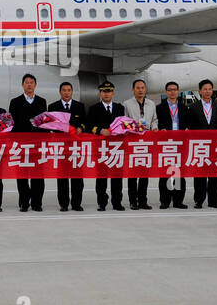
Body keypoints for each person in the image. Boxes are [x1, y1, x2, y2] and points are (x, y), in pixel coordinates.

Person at [8, 74, 47, 212]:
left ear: (35, 85)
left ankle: (37, 203)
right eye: (26, 82)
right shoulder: (15, 102)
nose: (29, 84)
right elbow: (12, 124)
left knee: (38, 175)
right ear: (22, 85)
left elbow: (44, 124)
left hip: (37, 144)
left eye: (31, 82)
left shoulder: (42, 101)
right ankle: (24, 202)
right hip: (21, 144)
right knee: (22, 175)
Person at [86, 81, 126, 211]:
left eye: (109, 92)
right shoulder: (94, 108)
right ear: (100, 93)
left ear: (113, 93)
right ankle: (101, 202)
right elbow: (88, 126)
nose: (106, 94)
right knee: (101, 177)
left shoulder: (120, 108)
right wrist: (99, 130)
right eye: (104, 91)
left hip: (116, 147)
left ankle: (117, 202)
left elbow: (123, 124)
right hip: (101, 147)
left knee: (117, 177)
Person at [184, 79, 217, 208]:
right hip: (199, 145)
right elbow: (190, 125)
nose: (207, 91)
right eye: (205, 89)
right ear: (200, 91)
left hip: (214, 145)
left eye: (210, 89)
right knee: (199, 175)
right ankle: (199, 200)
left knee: (215, 175)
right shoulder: (193, 107)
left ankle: (213, 200)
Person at [48, 81, 85, 211]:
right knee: (62, 177)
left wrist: (80, 128)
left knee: (77, 177)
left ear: (72, 92)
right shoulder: (53, 106)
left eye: (69, 90)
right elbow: (50, 125)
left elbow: (84, 123)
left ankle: (76, 203)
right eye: (64, 90)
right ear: (60, 92)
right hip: (61, 147)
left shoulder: (79, 106)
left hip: (76, 147)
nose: (66, 92)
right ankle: (63, 204)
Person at [123, 79, 157, 210]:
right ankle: (133, 201)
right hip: (133, 141)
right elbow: (124, 121)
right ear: (133, 90)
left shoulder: (151, 104)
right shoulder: (127, 104)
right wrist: (131, 128)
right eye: (138, 88)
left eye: (143, 87)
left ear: (145, 89)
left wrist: (154, 128)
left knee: (144, 173)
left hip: (147, 142)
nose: (140, 90)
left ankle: (143, 200)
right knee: (132, 174)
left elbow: (154, 120)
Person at [155, 81, 188, 209]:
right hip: (166, 144)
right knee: (166, 173)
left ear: (178, 91)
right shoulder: (159, 108)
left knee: (179, 173)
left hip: (180, 144)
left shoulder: (185, 108)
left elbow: (188, 124)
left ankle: (178, 200)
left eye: (175, 89)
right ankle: (165, 200)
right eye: (169, 90)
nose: (172, 92)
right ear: (166, 92)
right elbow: (156, 124)